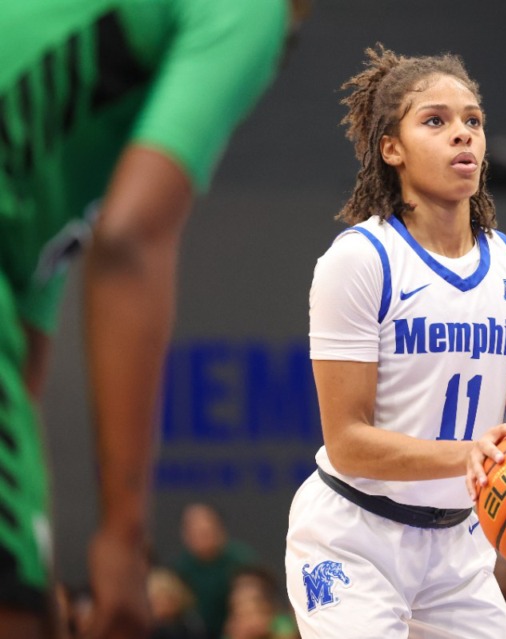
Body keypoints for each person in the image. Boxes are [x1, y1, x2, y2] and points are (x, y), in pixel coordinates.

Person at [284, 45, 506, 638]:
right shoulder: (360, 260)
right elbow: (347, 442)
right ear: (390, 148)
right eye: (436, 121)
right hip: (353, 538)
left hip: (458, 547)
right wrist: (469, 455)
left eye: (473, 120)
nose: (462, 135)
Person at [0, 0, 311, 637]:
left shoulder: (54, 175)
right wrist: (122, 540)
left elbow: (25, 364)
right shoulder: (252, 11)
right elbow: (129, 241)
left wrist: (36, 549)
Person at [172, 504, 257, 639]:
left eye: (205, 532)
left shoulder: (241, 562)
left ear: (220, 530)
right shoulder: (180, 569)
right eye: (194, 532)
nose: (201, 538)